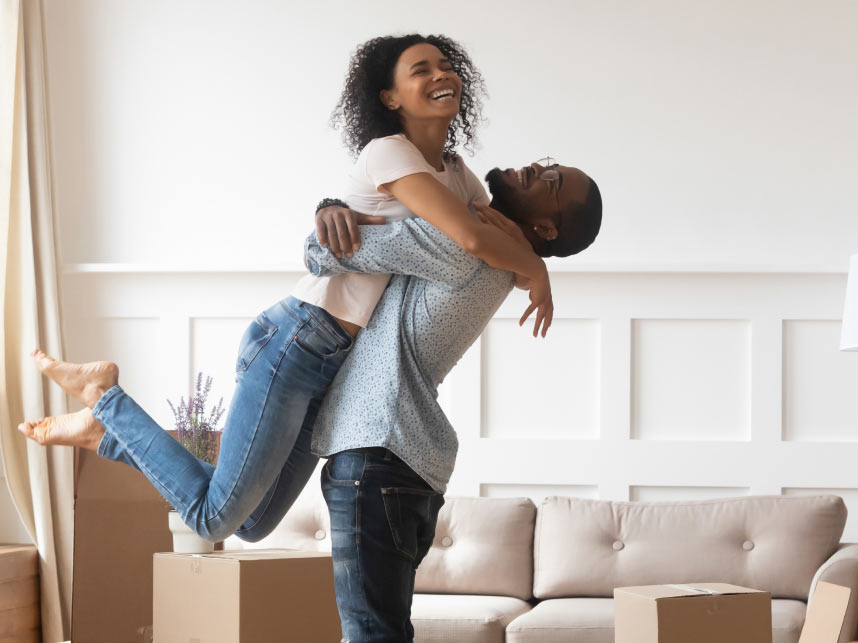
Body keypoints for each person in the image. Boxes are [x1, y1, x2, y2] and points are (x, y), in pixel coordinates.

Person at [18, 33, 552, 545]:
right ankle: (106, 400)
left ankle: (104, 433)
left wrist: (519, 256)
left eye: (445, 66)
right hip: (298, 340)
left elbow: (485, 231)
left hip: (334, 363)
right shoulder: (390, 152)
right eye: (422, 70)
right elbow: (468, 237)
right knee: (212, 520)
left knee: (252, 524)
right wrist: (539, 271)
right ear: (390, 97)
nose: (442, 75)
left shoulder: (458, 175)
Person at [304, 157, 602, 643]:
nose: (536, 166)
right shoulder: (485, 246)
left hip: (378, 452)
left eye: (551, 181)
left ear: (545, 229)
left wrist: (330, 213)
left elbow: (322, 252)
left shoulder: (466, 241)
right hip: (402, 464)